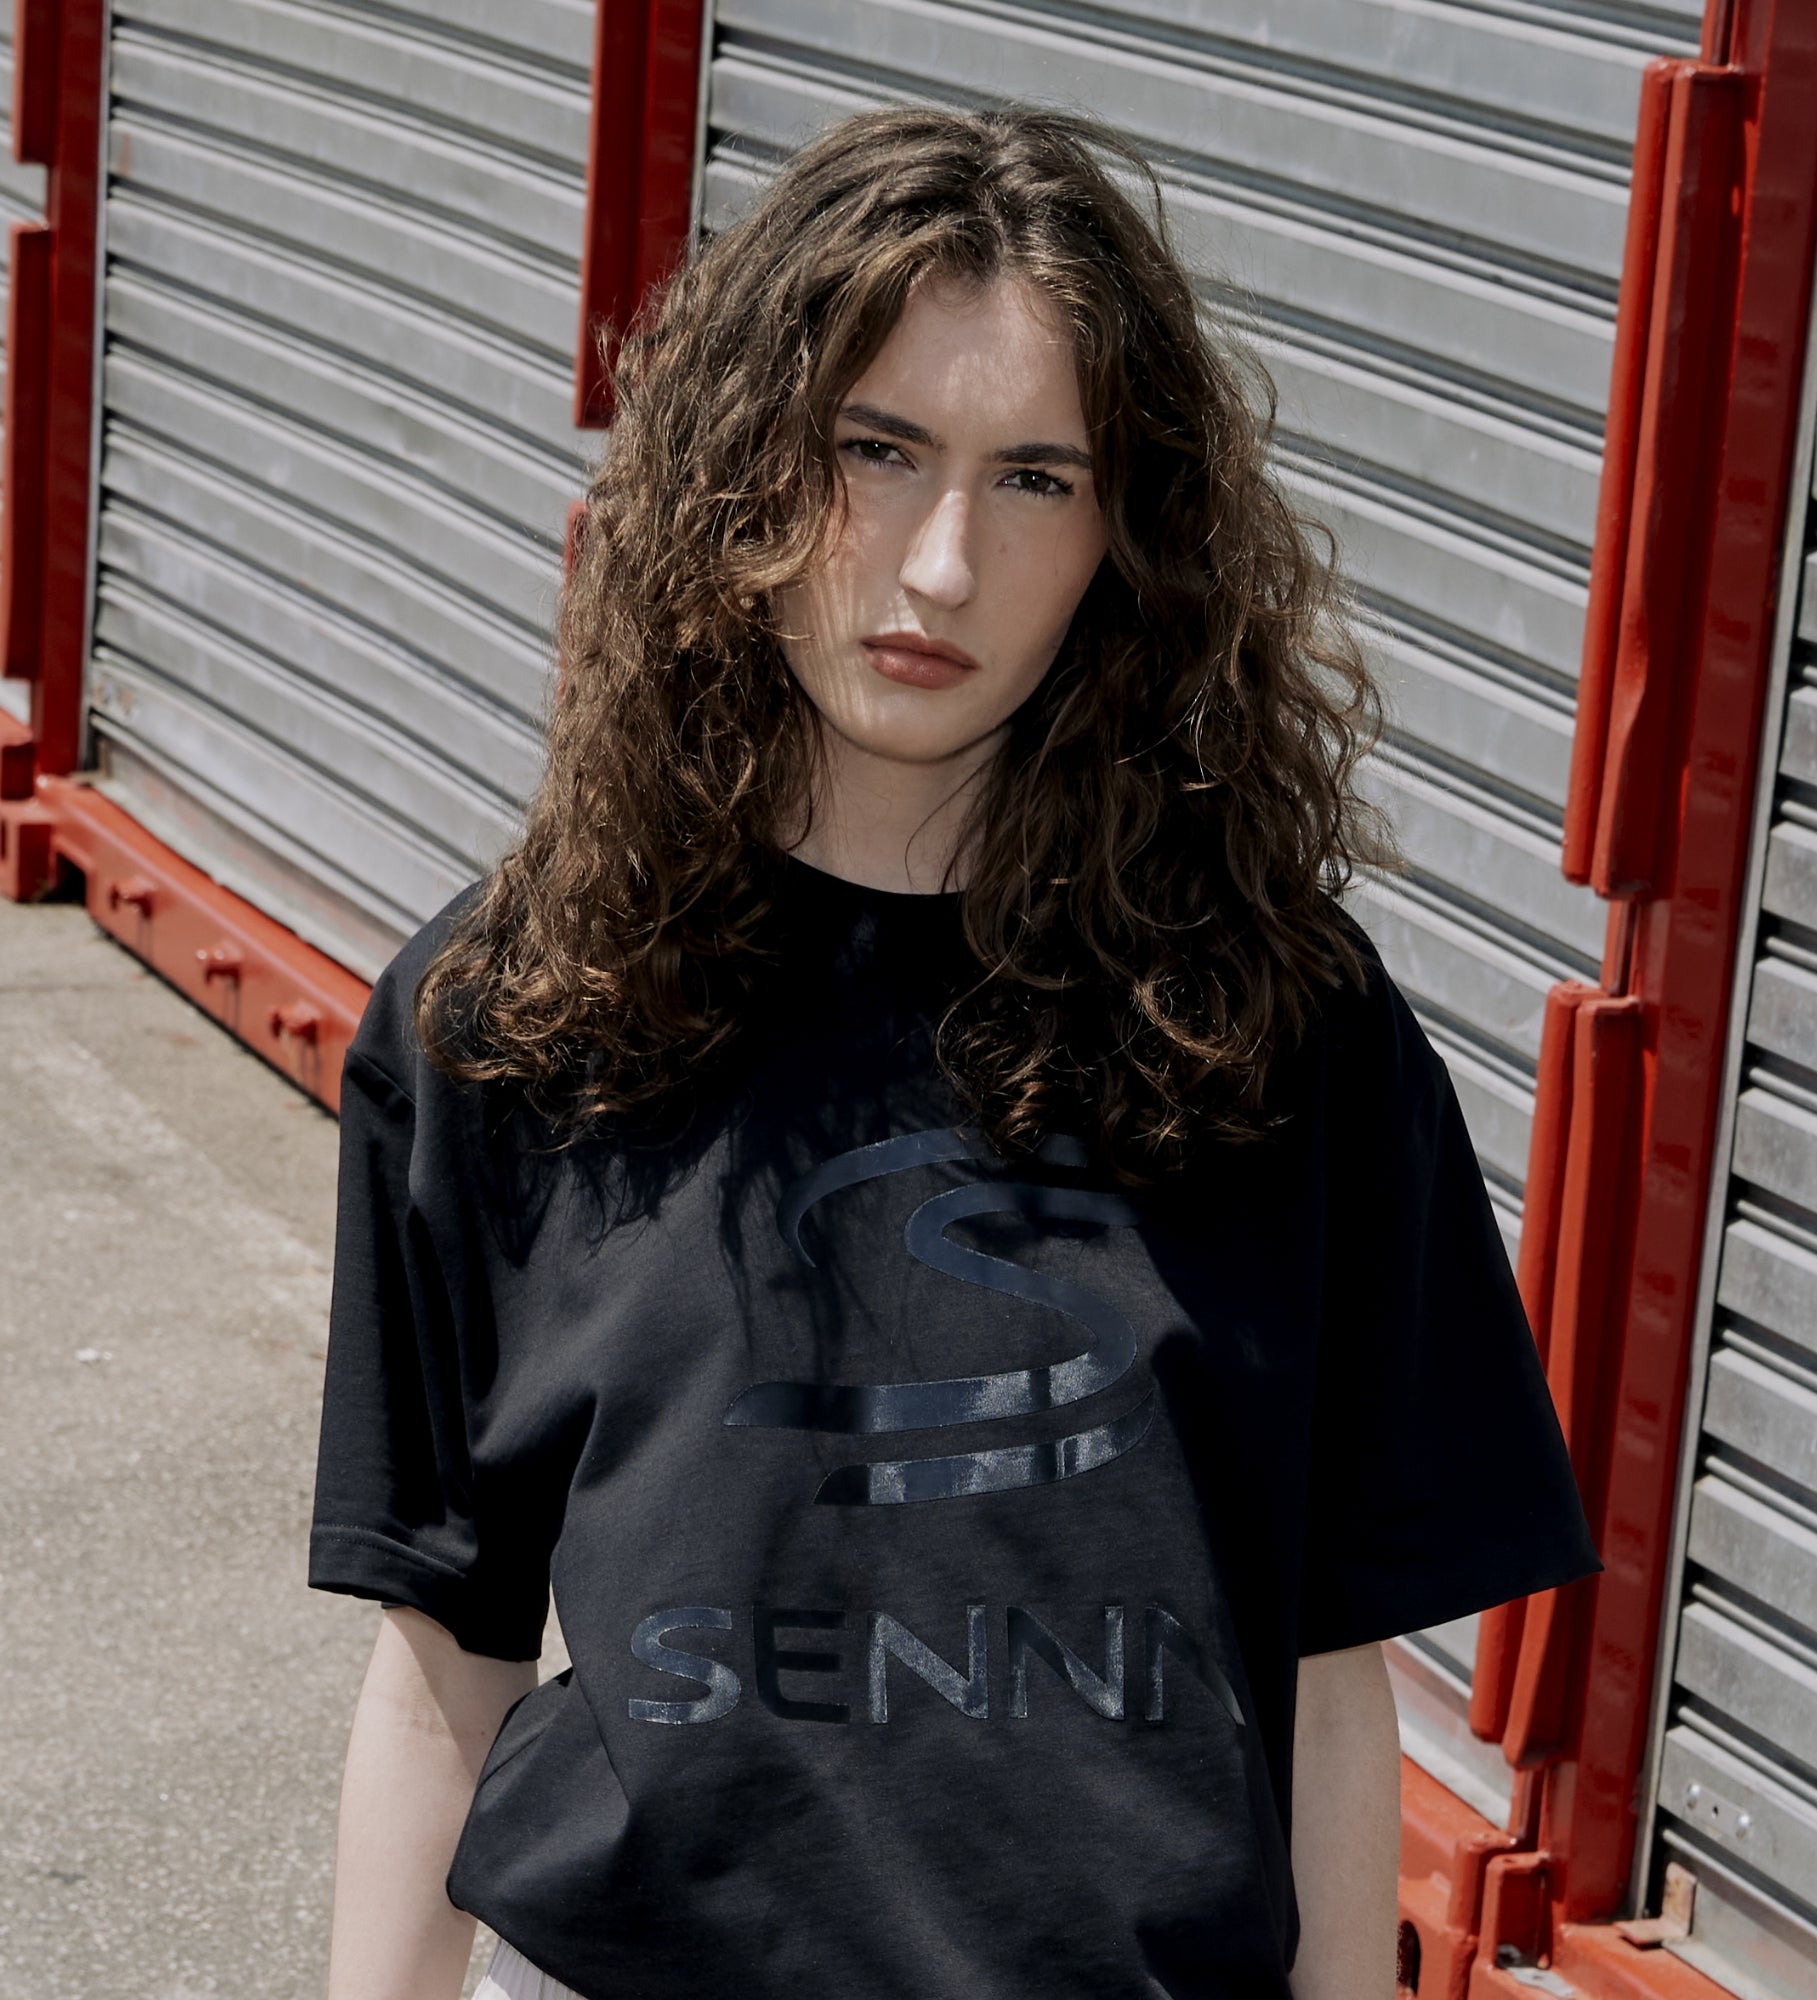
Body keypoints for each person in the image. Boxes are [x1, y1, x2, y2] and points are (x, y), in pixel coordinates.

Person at [308, 104, 1598, 2000]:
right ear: (742, 466)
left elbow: (1333, 1694)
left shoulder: (1277, 1037)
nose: (936, 569)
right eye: (876, 449)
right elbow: (444, 1662)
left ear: (1128, 540)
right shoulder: (513, 1014)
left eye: (1036, 480)